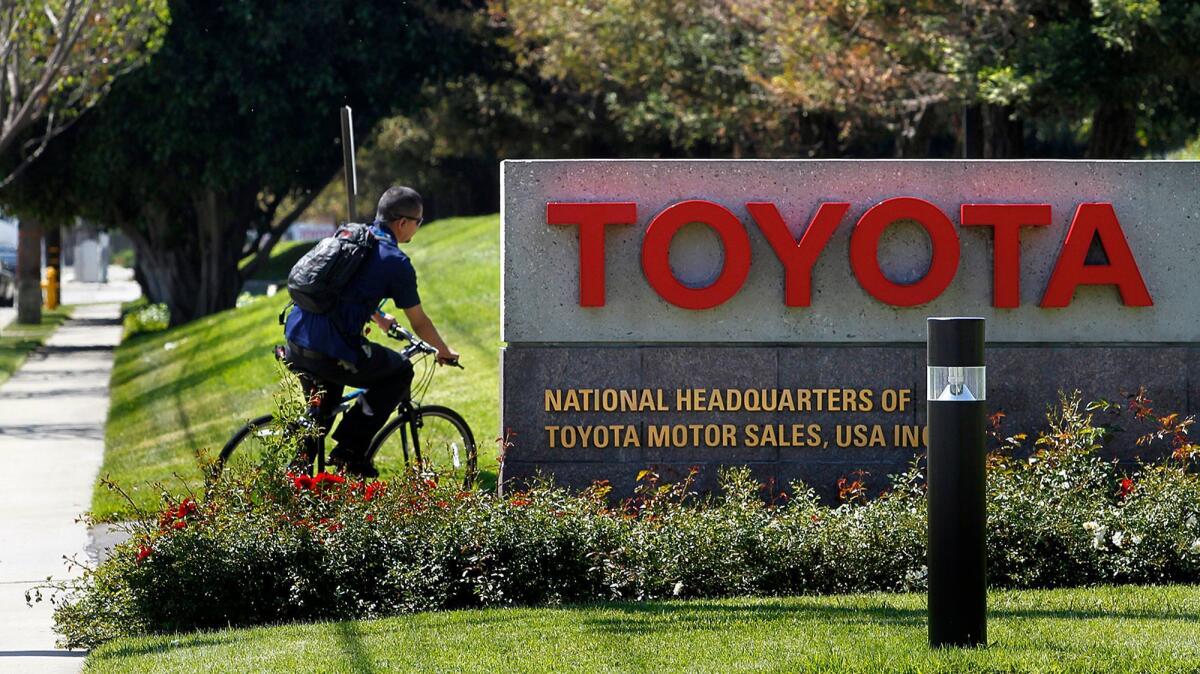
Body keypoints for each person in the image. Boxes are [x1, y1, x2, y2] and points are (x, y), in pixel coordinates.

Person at [283, 186, 459, 477]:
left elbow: (343, 286)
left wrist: (377, 317)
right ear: (403, 223)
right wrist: (443, 351)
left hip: (297, 339)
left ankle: (297, 484)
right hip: (331, 349)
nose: (417, 227)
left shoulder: (353, 236)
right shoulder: (395, 261)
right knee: (399, 372)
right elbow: (419, 321)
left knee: (320, 415)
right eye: (419, 221)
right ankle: (350, 452)